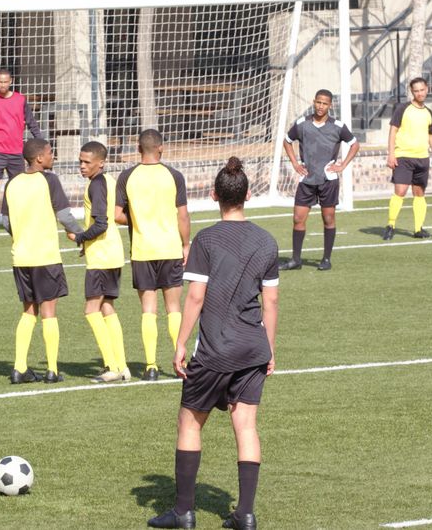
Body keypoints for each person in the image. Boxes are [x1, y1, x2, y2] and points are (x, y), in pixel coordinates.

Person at [147, 157, 279, 530]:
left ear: (214, 195)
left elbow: (194, 297)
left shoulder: (206, 239)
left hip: (216, 350)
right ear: (248, 196)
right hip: (253, 347)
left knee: (190, 422)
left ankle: (184, 512)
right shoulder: (267, 241)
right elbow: (270, 302)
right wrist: (269, 348)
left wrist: (180, 342)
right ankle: (245, 514)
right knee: (247, 426)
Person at [0, 138, 82, 384]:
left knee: (28, 312)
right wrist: (80, 234)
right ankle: (52, 370)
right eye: (49, 153)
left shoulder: (12, 183)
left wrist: (21, 235)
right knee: (49, 313)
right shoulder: (49, 180)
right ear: (39, 158)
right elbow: (64, 214)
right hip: (45, 256)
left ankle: (19, 368)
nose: (52, 156)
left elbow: (6, 222)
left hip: (21, 257)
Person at [114, 129, 190, 382]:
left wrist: (137, 223)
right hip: (169, 249)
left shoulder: (127, 176)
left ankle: (150, 366)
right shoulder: (174, 176)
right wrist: (186, 244)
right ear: (161, 148)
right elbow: (182, 215)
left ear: (138, 149)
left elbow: (116, 215)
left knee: (149, 309)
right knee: (174, 308)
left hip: (142, 250)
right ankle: (181, 363)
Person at [66, 142, 130, 383]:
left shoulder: (96, 185)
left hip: (102, 256)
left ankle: (111, 366)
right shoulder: (110, 181)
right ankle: (122, 366)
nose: (82, 166)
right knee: (107, 308)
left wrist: (80, 237)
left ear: (100, 162)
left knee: (91, 310)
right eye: (80, 161)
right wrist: (86, 244)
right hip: (112, 253)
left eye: (86, 162)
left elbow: (101, 223)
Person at [279, 89, 360, 271]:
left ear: (330, 106)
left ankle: (326, 259)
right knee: (298, 218)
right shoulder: (302, 123)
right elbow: (287, 141)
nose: (321, 106)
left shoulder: (338, 126)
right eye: (318, 102)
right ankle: (296, 260)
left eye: (325, 103)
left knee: (328, 218)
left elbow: (355, 145)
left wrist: (342, 165)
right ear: (313, 101)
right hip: (306, 180)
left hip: (328, 180)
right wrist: (294, 163)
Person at [0, 68, 44, 237]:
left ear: (11, 81)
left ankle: (19, 220)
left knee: (18, 188)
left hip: (16, 152)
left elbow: (31, 122)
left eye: (6, 81)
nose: (3, 85)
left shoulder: (20, 100)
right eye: (0, 82)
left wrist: (41, 140)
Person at [383, 77, 432, 241]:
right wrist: (391, 154)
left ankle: (418, 229)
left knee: (419, 193)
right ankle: (390, 225)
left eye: (422, 90)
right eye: (416, 90)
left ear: (427, 90)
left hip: (422, 159)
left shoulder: (428, 113)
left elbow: (431, 135)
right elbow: (393, 131)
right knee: (400, 191)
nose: (419, 93)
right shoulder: (402, 109)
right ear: (412, 92)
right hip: (403, 157)